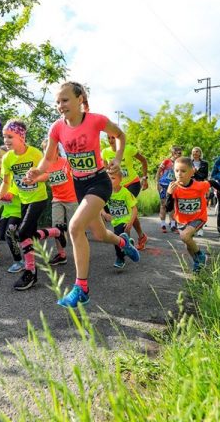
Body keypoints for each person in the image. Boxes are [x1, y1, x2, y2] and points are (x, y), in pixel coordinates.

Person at [27, 81, 140, 308]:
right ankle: (123, 242)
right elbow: (49, 158)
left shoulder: (96, 120)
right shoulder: (57, 128)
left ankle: (82, 289)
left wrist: (117, 160)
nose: (60, 105)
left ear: (80, 100)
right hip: (80, 185)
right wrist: (38, 170)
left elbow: (120, 135)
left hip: (99, 181)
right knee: (99, 234)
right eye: (57, 101)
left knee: (75, 227)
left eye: (65, 100)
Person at [0, 119, 64, 291]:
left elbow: (47, 174)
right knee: (29, 235)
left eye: (10, 136)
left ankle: (30, 272)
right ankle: (56, 232)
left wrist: (35, 177)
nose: (6, 140)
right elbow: (6, 182)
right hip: (24, 200)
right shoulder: (7, 158)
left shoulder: (34, 153)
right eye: (4, 137)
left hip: (38, 198)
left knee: (22, 232)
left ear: (21, 136)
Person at [102, 134, 149, 248]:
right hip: (117, 185)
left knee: (128, 209)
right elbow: (106, 170)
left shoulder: (129, 149)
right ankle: (129, 238)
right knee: (123, 211)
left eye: (113, 137)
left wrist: (145, 178)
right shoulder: (105, 152)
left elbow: (143, 161)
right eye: (108, 138)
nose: (111, 140)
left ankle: (137, 237)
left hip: (132, 182)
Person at [167, 157, 211, 273]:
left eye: (183, 171)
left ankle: (200, 256)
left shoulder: (199, 185)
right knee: (188, 243)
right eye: (176, 171)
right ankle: (198, 264)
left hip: (198, 217)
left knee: (185, 236)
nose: (179, 174)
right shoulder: (174, 188)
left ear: (192, 172)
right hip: (182, 220)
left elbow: (213, 183)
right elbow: (168, 208)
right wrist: (169, 194)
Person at [42, 139, 76, 266]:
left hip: (72, 199)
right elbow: (42, 177)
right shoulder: (44, 166)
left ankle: (80, 251)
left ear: (57, 150)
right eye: (46, 150)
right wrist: (33, 179)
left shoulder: (65, 162)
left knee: (74, 229)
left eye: (52, 149)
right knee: (56, 228)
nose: (49, 152)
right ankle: (61, 255)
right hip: (57, 199)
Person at [102, 171, 138, 269]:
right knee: (123, 239)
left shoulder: (125, 192)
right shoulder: (107, 191)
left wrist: (130, 223)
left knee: (117, 237)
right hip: (115, 220)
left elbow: (134, 209)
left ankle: (120, 259)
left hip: (125, 220)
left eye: (113, 178)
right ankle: (129, 244)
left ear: (120, 179)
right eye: (108, 178)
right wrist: (105, 214)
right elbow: (100, 204)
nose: (110, 180)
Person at [156, 146, 182, 233]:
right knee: (163, 204)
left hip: (173, 185)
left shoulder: (180, 163)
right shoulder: (166, 161)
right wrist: (157, 183)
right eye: (178, 153)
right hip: (163, 185)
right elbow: (158, 171)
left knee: (173, 205)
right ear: (173, 153)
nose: (180, 154)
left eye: (180, 153)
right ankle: (163, 225)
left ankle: (173, 226)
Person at [191, 147, 209, 235]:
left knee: (201, 207)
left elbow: (204, 175)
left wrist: (196, 172)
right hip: (190, 187)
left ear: (200, 153)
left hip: (201, 186)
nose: (195, 153)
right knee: (192, 207)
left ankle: (200, 228)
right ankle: (192, 228)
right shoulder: (188, 163)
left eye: (197, 151)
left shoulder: (205, 163)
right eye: (193, 152)